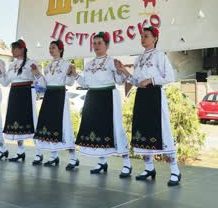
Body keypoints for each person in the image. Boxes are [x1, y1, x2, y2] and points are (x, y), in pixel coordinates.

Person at [115, 26, 182, 187]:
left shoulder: (160, 55)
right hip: (142, 97)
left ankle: (175, 171)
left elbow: (170, 76)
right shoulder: (138, 59)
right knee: (143, 131)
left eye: (146, 36)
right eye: (142, 36)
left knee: (162, 129)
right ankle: (149, 168)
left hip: (154, 96)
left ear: (155, 38)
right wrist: (123, 70)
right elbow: (137, 81)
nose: (143, 38)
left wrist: (151, 80)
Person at [70, 32, 132, 177]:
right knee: (96, 130)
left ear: (107, 45)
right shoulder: (89, 63)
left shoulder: (112, 61)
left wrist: (120, 69)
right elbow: (86, 83)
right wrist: (74, 74)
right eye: (94, 43)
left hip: (108, 97)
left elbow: (119, 80)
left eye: (100, 43)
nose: (96, 45)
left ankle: (127, 164)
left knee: (115, 128)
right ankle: (101, 162)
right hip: (93, 97)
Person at [31, 40, 78, 170]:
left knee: (64, 125)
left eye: (53, 47)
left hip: (60, 95)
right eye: (50, 47)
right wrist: (37, 74)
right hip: (49, 96)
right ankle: (53, 156)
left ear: (60, 49)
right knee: (49, 125)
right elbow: (45, 84)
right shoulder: (47, 66)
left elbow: (69, 82)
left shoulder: (66, 64)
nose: (51, 50)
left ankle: (74, 158)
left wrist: (70, 73)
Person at [0, 39, 42, 163]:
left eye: (14, 49)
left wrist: (36, 73)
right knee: (16, 122)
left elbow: (40, 82)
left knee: (31, 121)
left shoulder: (32, 63)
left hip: (26, 93)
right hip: (14, 94)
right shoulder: (12, 65)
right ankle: (20, 151)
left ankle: (39, 153)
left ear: (22, 49)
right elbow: (5, 83)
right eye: (11, 49)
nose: (12, 51)